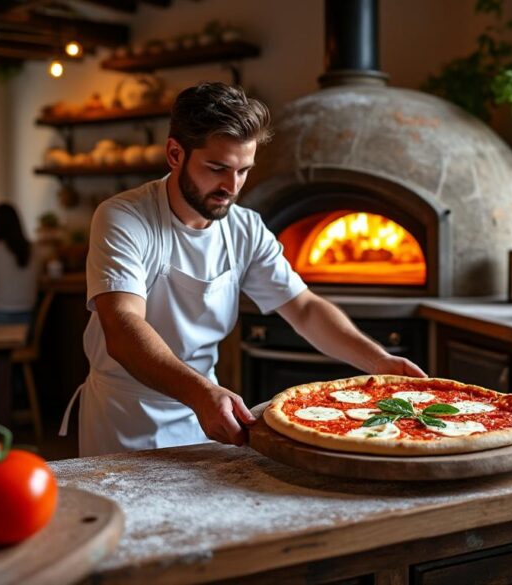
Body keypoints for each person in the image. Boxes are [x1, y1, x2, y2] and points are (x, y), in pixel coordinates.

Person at [61, 82, 425, 457]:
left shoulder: (244, 228)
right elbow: (122, 325)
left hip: (206, 412)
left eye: (243, 171)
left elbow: (303, 308)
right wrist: (201, 393)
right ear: (174, 153)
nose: (231, 187)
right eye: (217, 168)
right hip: (126, 419)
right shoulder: (124, 217)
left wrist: (377, 361)